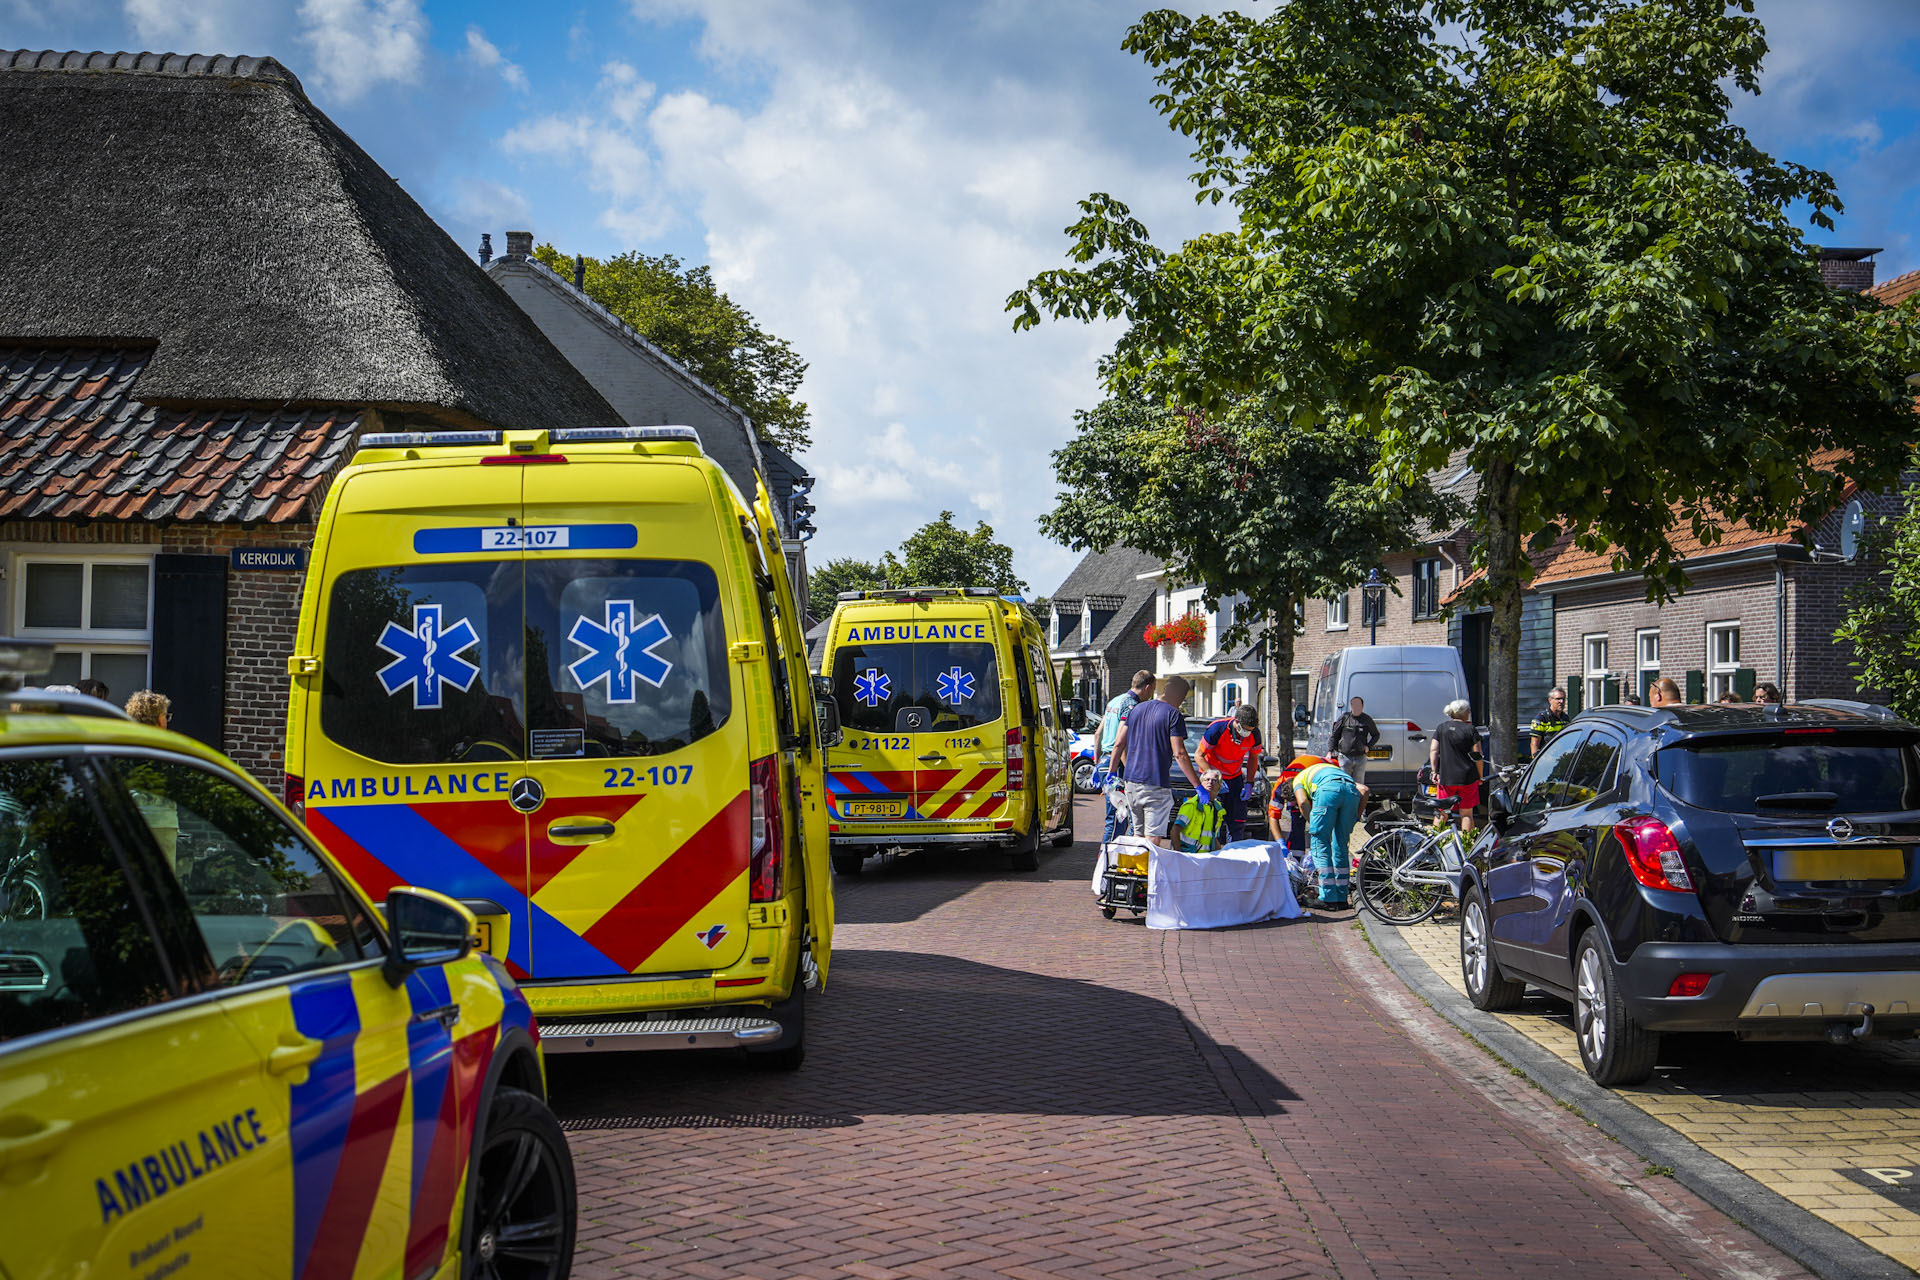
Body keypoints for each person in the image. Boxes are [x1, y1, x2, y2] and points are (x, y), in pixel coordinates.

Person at [1108, 675, 1205, 848]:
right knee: (1152, 838)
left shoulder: (1136, 709)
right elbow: (1180, 754)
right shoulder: (1173, 715)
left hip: (1131, 783)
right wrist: (1198, 786)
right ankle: (1149, 874)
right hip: (1156, 784)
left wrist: (1112, 772)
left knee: (1138, 833)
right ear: (1178, 696)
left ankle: (1137, 873)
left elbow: (1119, 744)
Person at [1293, 757, 1361, 909]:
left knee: (1320, 842)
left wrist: (1315, 824)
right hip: (1351, 791)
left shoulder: (1298, 779)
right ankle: (1342, 897)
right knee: (1340, 845)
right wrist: (1354, 819)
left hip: (1327, 791)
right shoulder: (1329, 770)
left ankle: (1328, 897)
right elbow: (1364, 790)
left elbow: (1303, 802)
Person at [1095, 671, 1154, 846]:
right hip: (1118, 765)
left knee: (1118, 817)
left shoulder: (1115, 700)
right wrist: (1130, 771)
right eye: (1152, 691)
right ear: (1147, 687)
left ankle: (1113, 858)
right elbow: (1121, 744)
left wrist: (1097, 765)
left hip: (1105, 762)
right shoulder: (1131, 705)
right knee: (1117, 820)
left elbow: (1098, 734)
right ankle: (1106, 861)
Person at [1199, 704, 1265, 840]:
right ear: (1237, 722)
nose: (1247, 734)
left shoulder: (1255, 734)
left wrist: (1250, 783)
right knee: (1211, 821)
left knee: (1237, 821)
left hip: (1234, 777)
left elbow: (1253, 757)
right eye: (1245, 730)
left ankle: (1233, 854)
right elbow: (1199, 755)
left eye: (1250, 730)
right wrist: (1214, 777)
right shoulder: (1217, 729)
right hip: (1213, 778)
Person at [1430, 699, 1483, 832]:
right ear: (1464, 713)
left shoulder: (1441, 728)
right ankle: (1466, 845)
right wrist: (1480, 776)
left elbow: (1434, 750)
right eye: (1468, 711)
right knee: (1466, 814)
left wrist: (1434, 771)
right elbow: (1478, 755)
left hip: (1446, 777)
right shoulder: (1470, 729)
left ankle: (1435, 843)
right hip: (1467, 778)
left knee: (1442, 812)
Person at [1173, 769, 1229, 853]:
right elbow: (1175, 831)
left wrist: (1219, 858)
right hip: (1188, 856)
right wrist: (1178, 855)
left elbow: (1215, 838)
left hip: (1205, 859)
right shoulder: (1192, 805)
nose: (1210, 782)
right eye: (1207, 779)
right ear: (1201, 784)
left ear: (1220, 787)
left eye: (1214, 780)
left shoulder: (1217, 809)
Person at [1327, 695, 1379, 784]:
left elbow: (1376, 735)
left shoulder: (1367, 719)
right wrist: (1330, 751)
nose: (1357, 708)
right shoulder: (1344, 718)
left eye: (1359, 706)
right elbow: (1335, 735)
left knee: (1358, 785)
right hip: (1345, 758)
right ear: (1351, 706)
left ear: (1362, 707)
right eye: (1354, 706)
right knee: (1344, 784)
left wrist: (1368, 746)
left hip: (1360, 758)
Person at [1529, 687, 1569, 757]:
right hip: (1547, 760)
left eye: (1563, 699)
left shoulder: (1566, 718)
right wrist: (1536, 764)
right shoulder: (1541, 718)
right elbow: (1534, 744)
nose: (1561, 702)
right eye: (1558, 699)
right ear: (1550, 700)